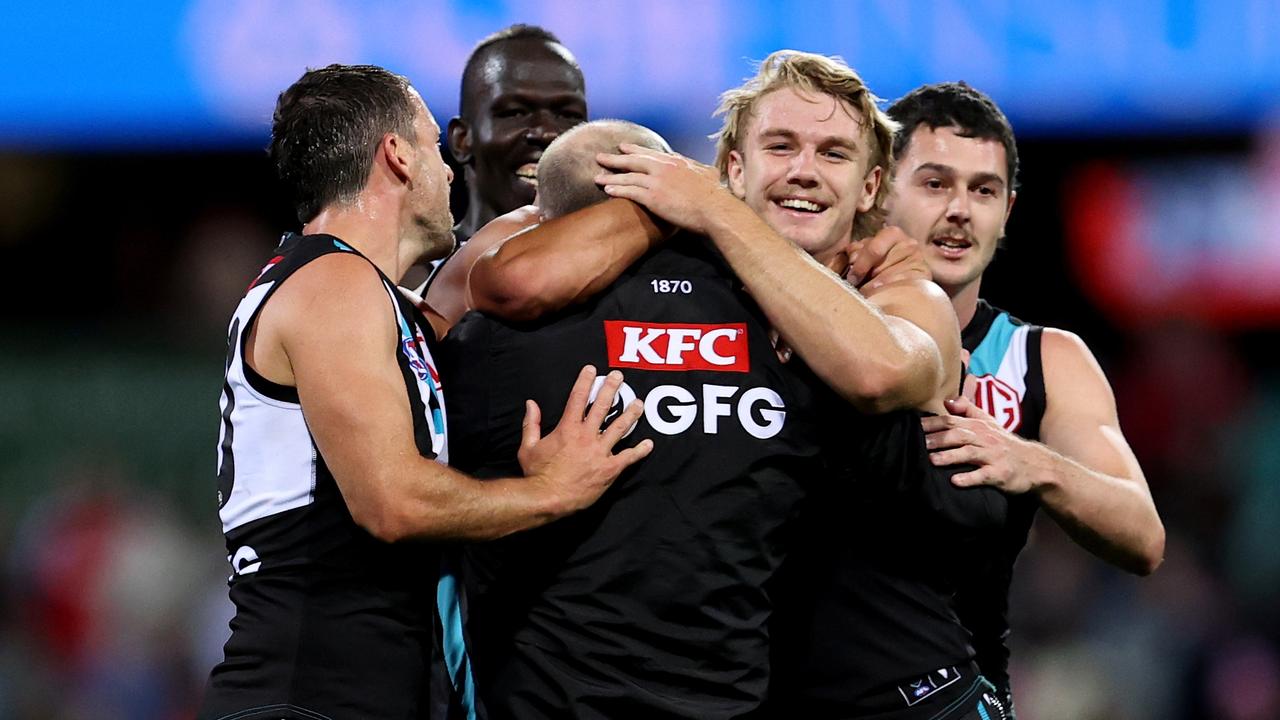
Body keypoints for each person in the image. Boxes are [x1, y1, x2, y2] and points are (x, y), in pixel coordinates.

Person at [200, 64, 650, 720]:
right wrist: (550, 492)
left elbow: (497, 273)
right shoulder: (333, 285)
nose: (449, 173)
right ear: (397, 156)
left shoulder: (369, 299)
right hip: (309, 696)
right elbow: (392, 501)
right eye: (437, 148)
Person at [596, 54, 1016, 719]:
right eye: (781, 146)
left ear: (871, 185)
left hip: (916, 703)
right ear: (736, 167)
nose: (805, 171)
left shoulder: (905, 296)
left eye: (834, 153)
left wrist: (713, 210)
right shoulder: (696, 293)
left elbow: (878, 373)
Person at [885, 81, 1166, 715]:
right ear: (878, 191)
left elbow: (1143, 535)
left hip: (955, 696)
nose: (960, 209)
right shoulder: (809, 328)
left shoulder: (1044, 360)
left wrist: (1030, 462)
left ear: (1008, 210)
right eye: (935, 183)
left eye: (983, 190)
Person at [410, 24, 588, 320]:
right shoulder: (407, 276)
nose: (546, 131)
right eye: (515, 112)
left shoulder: (617, 269)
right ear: (462, 140)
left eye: (568, 115)